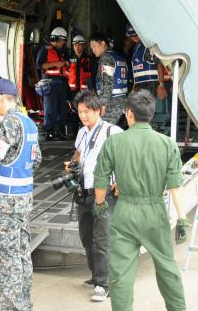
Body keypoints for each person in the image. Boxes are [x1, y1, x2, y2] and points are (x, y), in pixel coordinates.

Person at [93, 89, 189, 311]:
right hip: (155, 213)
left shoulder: (114, 143)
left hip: (125, 211)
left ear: (129, 114)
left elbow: (101, 181)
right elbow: (175, 186)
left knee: (121, 273)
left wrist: (99, 205)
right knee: (167, 267)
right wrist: (182, 218)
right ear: (151, 114)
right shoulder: (167, 144)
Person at [0, 78, 42, 310]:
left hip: (6, 199)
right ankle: (25, 303)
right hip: (24, 196)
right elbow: (36, 160)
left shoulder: (9, 123)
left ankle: (14, 307)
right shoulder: (30, 123)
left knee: (7, 257)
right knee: (22, 251)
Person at [68, 90, 122, 302]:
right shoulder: (82, 133)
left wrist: (121, 180)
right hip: (84, 192)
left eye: (87, 111)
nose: (83, 115)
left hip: (105, 192)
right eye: (80, 111)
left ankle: (103, 283)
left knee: (102, 238)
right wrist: (72, 166)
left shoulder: (113, 131)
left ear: (100, 110)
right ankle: (96, 274)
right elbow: (78, 154)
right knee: (87, 236)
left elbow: (124, 158)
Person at [89, 32, 128, 125]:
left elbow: (107, 82)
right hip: (122, 100)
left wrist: (103, 103)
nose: (93, 50)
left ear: (103, 44)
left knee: (104, 130)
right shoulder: (119, 57)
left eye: (94, 46)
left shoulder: (106, 58)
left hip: (112, 103)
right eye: (91, 48)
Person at [39, 27, 69, 141]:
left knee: (62, 110)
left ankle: (58, 131)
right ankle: (48, 133)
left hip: (61, 84)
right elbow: (40, 65)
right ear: (57, 39)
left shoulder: (61, 52)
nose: (64, 43)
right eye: (63, 41)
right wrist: (57, 63)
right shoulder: (45, 50)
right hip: (49, 83)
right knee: (50, 110)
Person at [126, 25, 167, 100]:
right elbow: (136, 70)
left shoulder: (148, 46)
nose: (134, 38)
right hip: (139, 85)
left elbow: (159, 63)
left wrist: (161, 84)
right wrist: (134, 88)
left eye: (135, 35)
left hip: (150, 84)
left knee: (146, 109)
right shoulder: (136, 47)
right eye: (131, 36)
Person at [67, 34, 93, 135]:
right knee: (74, 112)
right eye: (75, 45)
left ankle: (88, 131)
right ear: (73, 46)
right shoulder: (69, 59)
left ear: (84, 46)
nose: (77, 47)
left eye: (80, 45)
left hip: (85, 91)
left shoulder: (90, 59)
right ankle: (75, 134)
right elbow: (66, 76)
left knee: (86, 111)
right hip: (73, 91)